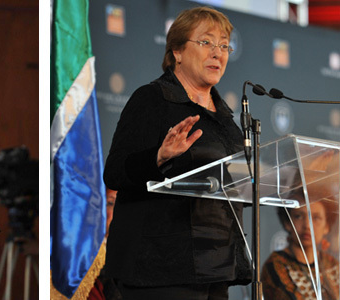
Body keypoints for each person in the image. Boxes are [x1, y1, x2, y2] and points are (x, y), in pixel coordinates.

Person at [103, 6, 251, 299]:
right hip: (160, 268)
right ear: (177, 51)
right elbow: (116, 171)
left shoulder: (226, 120)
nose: (217, 52)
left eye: (223, 45)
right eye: (206, 42)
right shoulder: (153, 100)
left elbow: (236, 186)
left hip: (217, 266)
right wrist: (159, 157)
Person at [261, 198, 339, 300]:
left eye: (316, 218)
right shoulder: (276, 265)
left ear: (327, 226)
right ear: (287, 223)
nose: (307, 225)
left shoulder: (332, 264)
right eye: (298, 216)